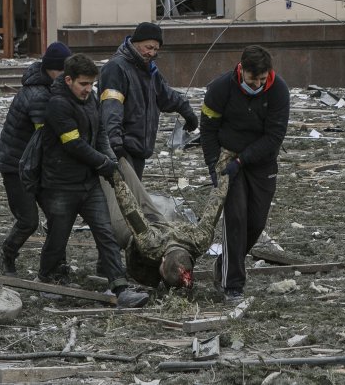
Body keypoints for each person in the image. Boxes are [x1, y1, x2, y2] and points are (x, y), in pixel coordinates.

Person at [36, 54, 148, 308]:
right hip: (60, 185)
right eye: (83, 84)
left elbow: (99, 136)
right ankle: (45, 278)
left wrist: (111, 161)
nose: (88, 89)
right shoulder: (57, 105)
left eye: (91, 84)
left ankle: (120, 288)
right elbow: (73, 144)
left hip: (88, 183)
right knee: (58, 236)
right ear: (68, 80)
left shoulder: (91, 100)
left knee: (105, 232)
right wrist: (102, 163)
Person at [200, 45, 290, 303]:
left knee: (256, 223)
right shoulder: (219, 89)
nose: (259, 84)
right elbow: (208, 129)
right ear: (241, 70)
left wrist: (243, 160)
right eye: (254, 79)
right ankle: (232, 286)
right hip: (229, 160)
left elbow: (274, 137)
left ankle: (224, 263)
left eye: (263, 79)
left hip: (261, 163)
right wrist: (213, 165)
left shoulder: (278, 91)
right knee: (235, 220)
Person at [0, 42, 71, 277]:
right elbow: (47, 138)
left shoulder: (51, 89)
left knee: (59, 217)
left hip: (35, 165)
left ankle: (56, 265)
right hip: (16, 166)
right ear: (51, 69)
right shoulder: (38, 95)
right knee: (28, 220)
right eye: (63, 71)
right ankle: (6, 254)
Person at [99, 155, 231, 289]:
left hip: (132, 235)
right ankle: (114, 156)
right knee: (121, 166)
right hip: (155, 226)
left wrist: (114, 176)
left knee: (109, 180)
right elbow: (129, 208)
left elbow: (129, 209)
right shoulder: (193, 241)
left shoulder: (196, 241)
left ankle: (101, 158)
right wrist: (224, 169)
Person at [99, 22, 198, 180]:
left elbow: (166, 96)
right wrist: (115, 141)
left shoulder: (150, 70)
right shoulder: (116, 68)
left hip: (139, 148)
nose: (152, 53)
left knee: (134, 197)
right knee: (125, 199)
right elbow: (112, 107)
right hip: (122, 148)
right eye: (149, 47)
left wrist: (187, 111)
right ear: (135, 43)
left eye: (156, 49)